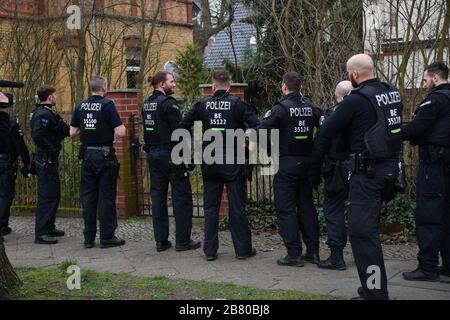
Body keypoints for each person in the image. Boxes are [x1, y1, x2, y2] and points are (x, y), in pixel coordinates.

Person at [310, 54, 403, 300]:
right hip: (390, 170)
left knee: (363, 234)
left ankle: (375, 292)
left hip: (367, 174)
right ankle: (372, 287)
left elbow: (327, 130)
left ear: (355, 74)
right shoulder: (391, 92)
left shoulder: (356, 100)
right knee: (367, 231)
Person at [179, 70, 259, 261]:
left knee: (210, 208)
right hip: (233, 161)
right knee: (237, 208)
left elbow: (183, 124)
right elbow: (258, 127)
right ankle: (242, 250)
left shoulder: (203, 105)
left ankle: (210, 251)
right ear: (229, 86)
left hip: (210, 161)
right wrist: (247, 146)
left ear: (213, 86)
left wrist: (193, 147)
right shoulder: (238, 104)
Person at [258, 72, 322, 267]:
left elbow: (260, 131)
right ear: (300, 87)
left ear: (284, 87)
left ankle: (293, 253)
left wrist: (270, 151)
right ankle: (312, 252)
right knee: (307, 207)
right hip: (307, 164)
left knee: (286, 209)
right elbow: (326, 130)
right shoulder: (311, 107)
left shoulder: (280, 109)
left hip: (286, 163)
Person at [142, 71, 201, 252]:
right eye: (172, 82)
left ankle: (161, 241)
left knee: (158, 199)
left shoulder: (146, 105)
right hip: (171, 155)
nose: (174, 85)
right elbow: (180, 133)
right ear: (161, 84)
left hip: (153, 155)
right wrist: (187, 157)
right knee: (181, 198)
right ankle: (183, 241)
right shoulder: (169, 104)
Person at [402, 62, 450, 281]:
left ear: (435, 78)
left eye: (424, 80)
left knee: (429, 215)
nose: (424, 84)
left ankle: (428, 268)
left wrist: (395, 130)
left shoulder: (435, 99)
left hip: (434, 165)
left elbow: (417, 129)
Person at [70, 76, 126, 249]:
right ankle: (107, 237)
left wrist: (87, 130)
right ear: (104, 88)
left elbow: (72, 132)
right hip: (104, 156)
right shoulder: (107, 105)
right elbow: (121, 132)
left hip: (87, 156)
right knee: (106, 197)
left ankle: (88, 238)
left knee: (88, 197)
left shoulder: (80, 105)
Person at [316, 81, 354, 271]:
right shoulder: (361, 112)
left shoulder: (332, 115)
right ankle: (361, 251)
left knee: (333, 210)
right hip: (358, 167)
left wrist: (315, 169)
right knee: (359, 210)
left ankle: (336, 256)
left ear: (336, 95)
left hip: (337, 167)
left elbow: (321, 142)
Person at [30, 86, 69, 245]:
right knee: (47, 196)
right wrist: (52, 152)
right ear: (50, 97)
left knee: (54, 194)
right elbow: (38, 135)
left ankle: (49, 226)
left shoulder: (47, 112)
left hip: (49, 158)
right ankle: (41, 233)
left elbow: (59, 130)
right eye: (55, 95)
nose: (57, 97)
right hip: (46, 159)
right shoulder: (42, 114)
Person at [0, 93, 31, 237]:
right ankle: (2, 225)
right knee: (5, 194)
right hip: (5, 162)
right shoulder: (10, 122)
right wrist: (26, 162)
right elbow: (19, 145)